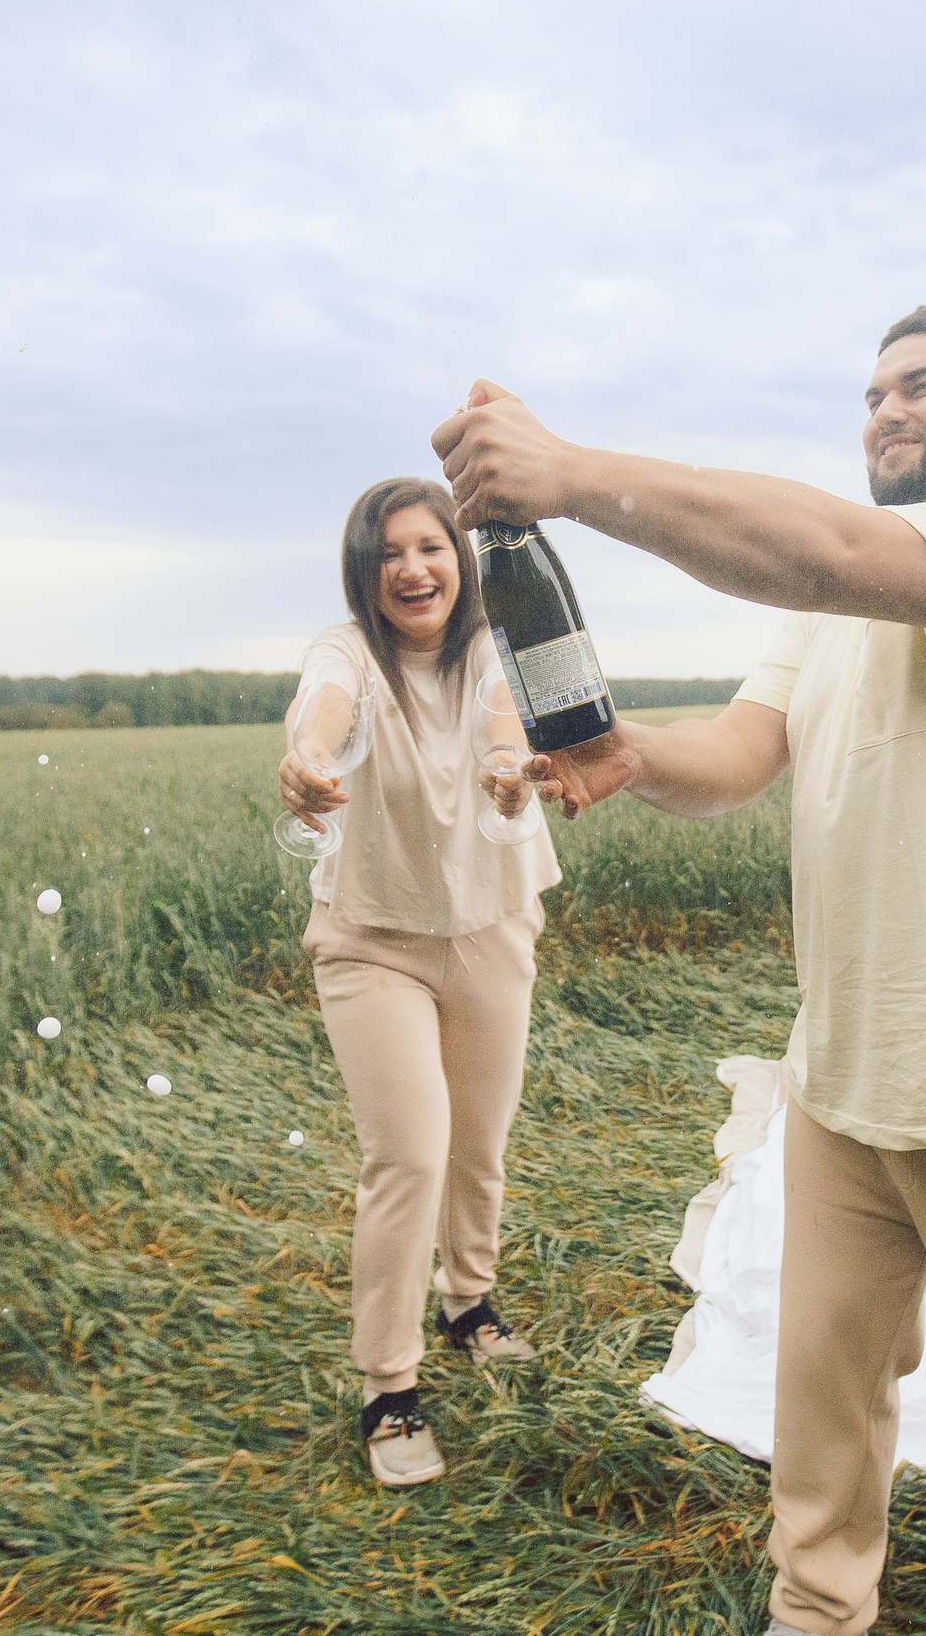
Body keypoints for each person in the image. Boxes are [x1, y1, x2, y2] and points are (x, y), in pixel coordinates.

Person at [430, 302, 926, 1635]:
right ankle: (818, 1614)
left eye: (923, 384)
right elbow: (737, 750)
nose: (885, 409)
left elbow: (828, 544)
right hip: (843, 1089)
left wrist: (568, 475)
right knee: (822, 1418)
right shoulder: (831, 613)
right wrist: (626, 755)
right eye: (873, 391)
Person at [275, 475, 559, 1488]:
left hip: (489, 921)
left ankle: (468, 1303)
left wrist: (504, 762)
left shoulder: (494, 645)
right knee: (411, 1152)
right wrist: (307, 759)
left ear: (459, 557)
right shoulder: (347, 650)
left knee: (479, 1139)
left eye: (430, 547)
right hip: (372, 936)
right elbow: (323, 713)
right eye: (389, 552)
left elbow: (502, 718)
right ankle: (387, 1385)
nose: (412, 567)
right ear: (366, 570)